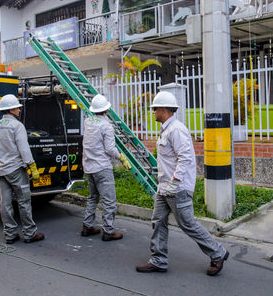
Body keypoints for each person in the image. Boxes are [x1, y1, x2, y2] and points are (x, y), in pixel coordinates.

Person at [136, 91, 229, 276]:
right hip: (164, 187)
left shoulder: (176, 129)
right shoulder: (166, 129)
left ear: (164, 109)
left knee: (187, 223)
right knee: (158, 221)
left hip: (177, 188)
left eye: (155, 109)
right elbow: (170, 160)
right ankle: (158, 260)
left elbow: (185, 158)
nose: (153, 112)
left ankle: (218, 252)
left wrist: (175, 182)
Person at [0, 94, 44, 245]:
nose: (19, 110)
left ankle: (10, 234)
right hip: (16, 170)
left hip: (1, 170)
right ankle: (30, 233)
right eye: (17, 107)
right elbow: (24, 149)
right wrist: (32, 166)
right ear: (11, 109)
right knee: (24, 201)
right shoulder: (17, 126)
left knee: (5, 203)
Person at [81, 94, 132, 241]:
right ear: (107, 110)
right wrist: (121, 157)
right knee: (109, 201)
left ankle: (87, 226)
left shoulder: (88, 121)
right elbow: (110, 149)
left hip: (89, 167)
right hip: (102, 168)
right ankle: (108, 231)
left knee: (92, 198)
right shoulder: (106, 126)